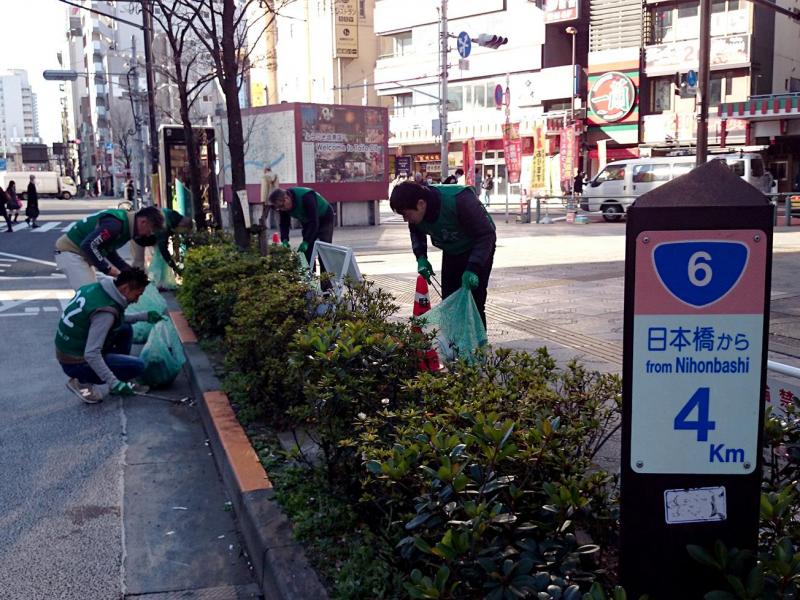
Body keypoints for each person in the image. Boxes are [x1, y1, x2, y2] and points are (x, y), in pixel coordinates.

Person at [389, 180, 496, 329]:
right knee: (449, 300)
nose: (406, 220)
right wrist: (421, 257)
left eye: (406, 214)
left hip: (478, 247)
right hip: (452, 251)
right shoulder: (416, 211)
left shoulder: (460, 200)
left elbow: (486, 235)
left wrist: (473, 268)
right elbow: (416, 232)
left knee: (474, 303)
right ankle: (454, 346)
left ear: (421, 204)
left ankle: (478, 347)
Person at [55, 268, 165, 403]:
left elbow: (113, 320)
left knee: (125, 329)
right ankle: (82, 381)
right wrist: (114, 383)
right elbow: (91, 354)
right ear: (125, 289)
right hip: (76, 362)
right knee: (137, 366)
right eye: (137, 295)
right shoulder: (106, 312)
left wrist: (144, 316)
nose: (137, 300)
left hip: (71, 350)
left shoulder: (98, 288)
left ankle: (115, 375)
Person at [54, 206, 165, 290]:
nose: (147, 235)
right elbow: (88, 245)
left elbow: (109, 250)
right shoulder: (115, 225)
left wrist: (129, 272)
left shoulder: (125, 224)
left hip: (79, 254)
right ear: (143, 222)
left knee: (93, 294)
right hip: (71, 252)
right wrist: (107, 269)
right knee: (88, 297)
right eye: (149, 231)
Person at [268, 186, 334, 268]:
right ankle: (310, 278)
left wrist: (306, 241)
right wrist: (284, 239)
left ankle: (326, 279)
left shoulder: (306, 197)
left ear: (286, 198)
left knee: (324, 250)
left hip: (324, 217)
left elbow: (314, 221)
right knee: (307, 252)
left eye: (282, 207)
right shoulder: (283, 206)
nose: (282, 210)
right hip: (307, 221)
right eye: (279, 208)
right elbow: (284, 224)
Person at [131, 207, 194, 274]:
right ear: (182, 225)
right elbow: (163, 250)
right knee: (139, 264)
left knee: (152, 263)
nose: (182, 233)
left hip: (148, 235)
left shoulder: (173, 216)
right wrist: (175, 268)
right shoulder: (164, 226)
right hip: (139, 235)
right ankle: (134, 281)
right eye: (184, 231)